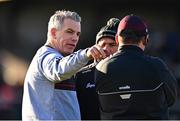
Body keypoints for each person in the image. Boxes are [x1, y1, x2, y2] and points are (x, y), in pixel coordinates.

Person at [22, 10, 107, 120]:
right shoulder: (46, 56)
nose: (75, 38)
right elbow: (58, 69)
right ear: (53, 33)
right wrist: (85, 54)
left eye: (78, 34)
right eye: (69, 31)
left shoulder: (60, 58)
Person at [94, 14, 178, 119]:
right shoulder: (157, 66)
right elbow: (171, 99)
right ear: (146, 39)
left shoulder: (101, 67)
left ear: (117, 39)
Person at [75, 18, 120, 120]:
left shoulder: (130, 72)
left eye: (112, 45)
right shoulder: (81, 75)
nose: (105, 49)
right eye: (102, 45)